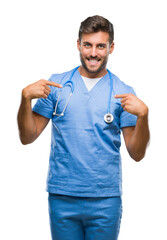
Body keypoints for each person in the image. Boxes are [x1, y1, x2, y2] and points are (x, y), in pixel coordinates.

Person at [17, 15, 150, 240]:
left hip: (105, 200)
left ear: (111, 48)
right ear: (78, 44)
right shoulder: (57, 85)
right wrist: (24, 100)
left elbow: (136, 154)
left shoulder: (123, 92)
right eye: (87, 45)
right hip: (62, 197)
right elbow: (27, 137)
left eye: (100, 46)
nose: (93, 53)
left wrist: (144, 116)